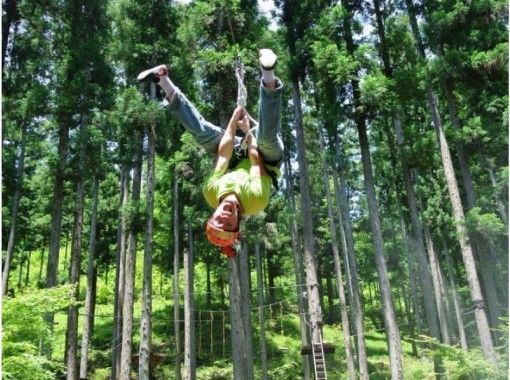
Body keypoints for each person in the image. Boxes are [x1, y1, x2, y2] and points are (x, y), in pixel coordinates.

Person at [137, 49, 283, 257]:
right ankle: (268, 74)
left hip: (233, 155)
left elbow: (223, 156)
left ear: (213, 214)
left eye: (219, 220)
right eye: (228, 223)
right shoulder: (256, 201)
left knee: (202, 134)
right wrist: (248, 133)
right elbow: (256, 160)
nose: (225, 216)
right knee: (267, 138)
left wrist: (234, 121)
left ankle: (163, 80)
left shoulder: (211, 192)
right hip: (264, 159)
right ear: (237, 223)